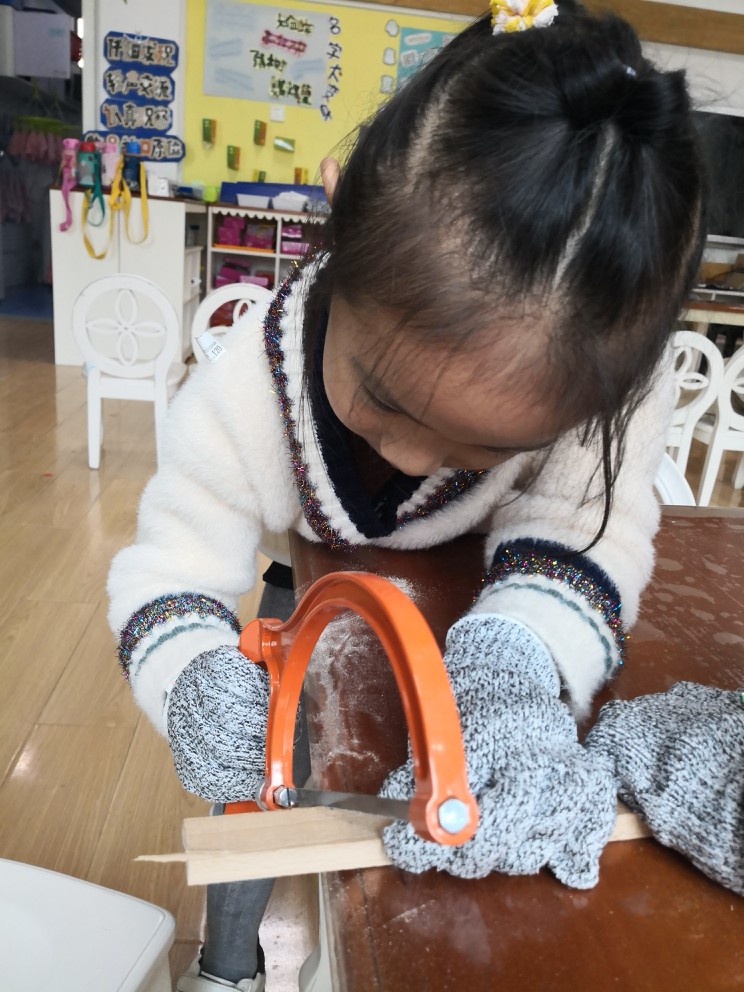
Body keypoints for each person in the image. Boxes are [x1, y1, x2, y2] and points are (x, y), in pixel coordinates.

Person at [107, 2, 712, 988]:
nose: (411, 450)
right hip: (301, 599)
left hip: (481, 608)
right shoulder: (245, 385)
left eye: (486, 446)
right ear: (339, 214)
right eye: (383, 397)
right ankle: (228, 959)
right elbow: (169, 569)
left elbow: (582, 533)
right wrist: (191, 674)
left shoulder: (607, 391)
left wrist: (519, 658)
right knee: (258, 782)